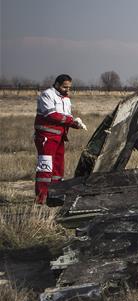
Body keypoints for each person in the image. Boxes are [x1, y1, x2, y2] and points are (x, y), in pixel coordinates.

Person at [33, 74, 87, 204]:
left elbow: (65, 117)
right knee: (45, 167)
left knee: (58, 168)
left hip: (60, 137)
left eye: (69, 88)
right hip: (46, 137)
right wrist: (70, 120)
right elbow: (51, 115)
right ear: (57, 84)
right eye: (64, 87)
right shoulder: (47, 95)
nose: (67, 90)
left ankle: (55, 195)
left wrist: (76, 124)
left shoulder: (66, 99)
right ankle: (41, 198)